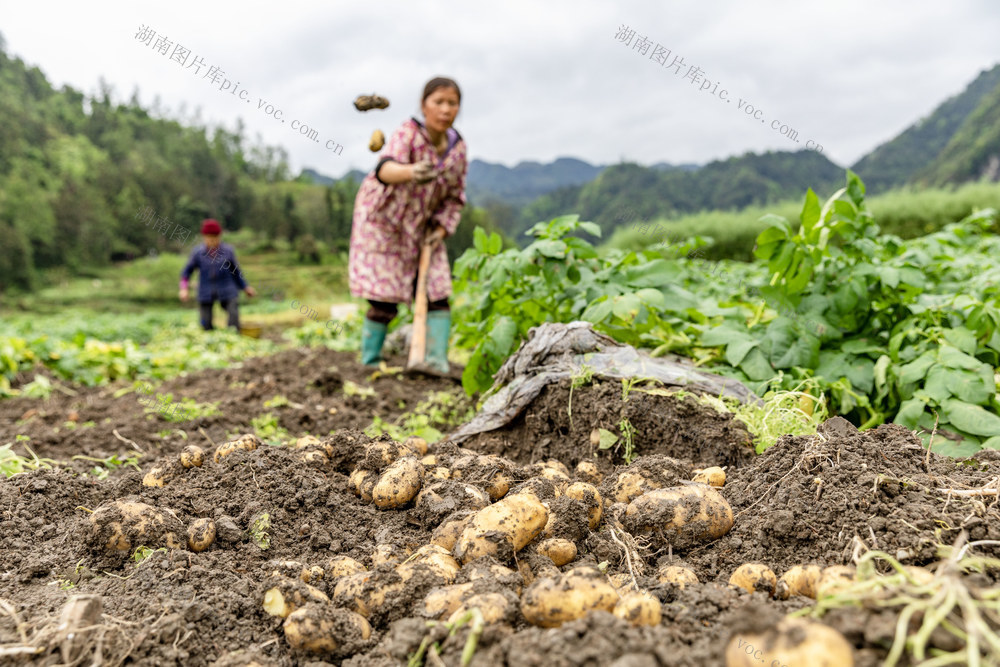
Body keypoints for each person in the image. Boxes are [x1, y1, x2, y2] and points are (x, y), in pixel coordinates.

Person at [348, 76, 467, 373]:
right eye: (438, 102)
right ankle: (370, 363)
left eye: (452, 103)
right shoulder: (408, 133)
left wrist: (440, 231)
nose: (445, 109)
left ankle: (436, 362)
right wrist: (412, 172)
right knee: (384, 299)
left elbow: (454, 198)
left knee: (437, 293)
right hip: (385, 222)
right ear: (423, 105)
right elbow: (384, 169)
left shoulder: (457, 150)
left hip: (424, 229)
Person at [179, 219, 256, 330]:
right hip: (206, 289)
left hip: (227, 287)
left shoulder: (228, 251)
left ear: (219, 237)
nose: (212, 241)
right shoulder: (197, 252)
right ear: (204, 237)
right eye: (209, 238)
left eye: (215, 238)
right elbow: (186, 272)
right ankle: (209, 338)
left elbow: (236, 271)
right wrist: (183, 288)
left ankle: (233, 335)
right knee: (205, 323)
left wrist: (245, 287)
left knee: (233, 314)